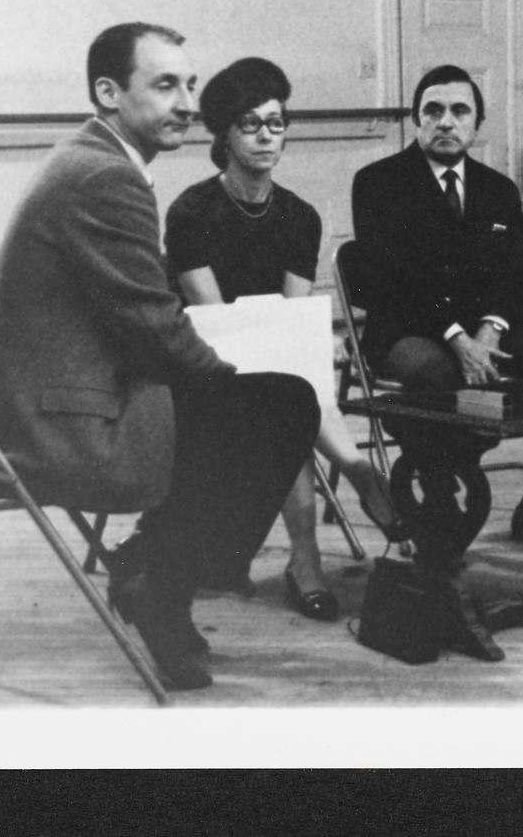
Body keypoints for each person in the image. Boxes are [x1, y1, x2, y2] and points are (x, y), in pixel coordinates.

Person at [0, 23, 320, 691]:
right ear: (108, 92)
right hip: (53, 424)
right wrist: (232, 383)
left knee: (255, 402)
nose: (187, 103)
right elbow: (154, 327)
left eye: (190, 85)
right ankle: (162, 577)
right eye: (166, 84)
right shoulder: (105, 178)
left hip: (46, 396)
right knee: (280, 406)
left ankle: (158, 569)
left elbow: (145, 322)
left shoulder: (94, 161)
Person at [158, 56, 402, 622]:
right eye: (250, 124)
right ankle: (355, 483)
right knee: (284, 405)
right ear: (222, 134)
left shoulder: (300, 216)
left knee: (287, 398)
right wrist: (287, 353)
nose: (267, 136)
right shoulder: (192, 212)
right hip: (206, 366)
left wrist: (307, 345)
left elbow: (292, 317)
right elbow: (213, 317)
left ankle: (313, 552)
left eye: (276, 122)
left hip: (274, 364)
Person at [350, 64, 523, 556]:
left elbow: (515, 278)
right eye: (432, 111)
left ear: (476, 123)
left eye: (459, 111)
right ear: (417, 121)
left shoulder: (497, 189)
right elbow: (391, 279)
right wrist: (458, 336)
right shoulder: (378, 183)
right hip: (406, 329)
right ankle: (440, 504)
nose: (445, 122)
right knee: (436, 373)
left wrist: (490, 330)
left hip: (488, 332)